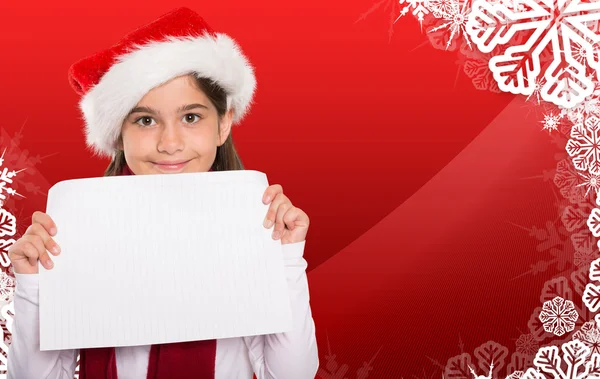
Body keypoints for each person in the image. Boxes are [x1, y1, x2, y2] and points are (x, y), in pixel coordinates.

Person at [5, 6, 319, 379]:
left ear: (223, 124)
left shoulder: (251, 223)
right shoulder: (79, 228)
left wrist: (285, 259)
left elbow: (292, 375)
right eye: (146, 120)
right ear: (119, 133)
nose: (170, 143)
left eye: (191, 117)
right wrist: (33, 287)